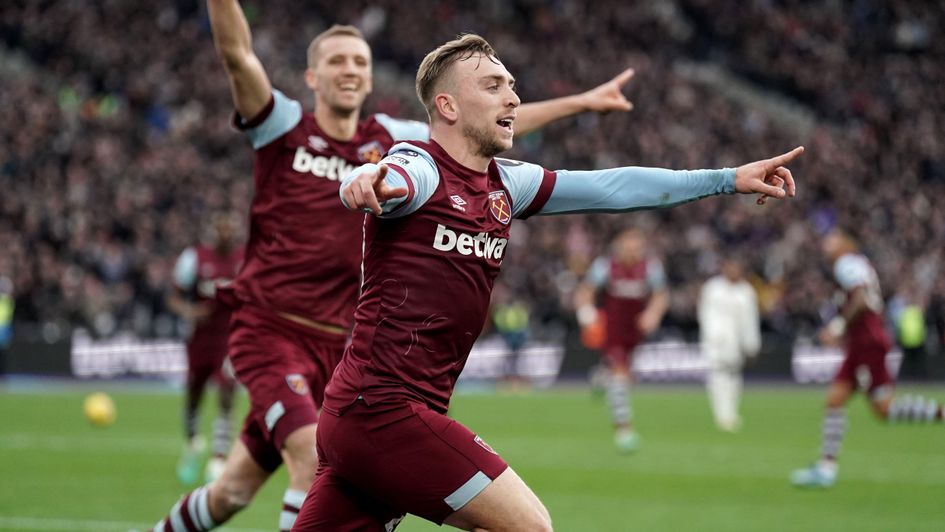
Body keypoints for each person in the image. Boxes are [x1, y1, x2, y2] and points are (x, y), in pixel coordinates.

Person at [152, 2, 643, 530]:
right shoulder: (284, 126)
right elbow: (238, 56)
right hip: (271, 333)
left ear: (370, 78)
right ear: (312, 77)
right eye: (337, 61)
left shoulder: (390, 137)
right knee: (308, 455)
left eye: (360, 62)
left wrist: (581, 103)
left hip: (339, 347)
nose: (350, 70)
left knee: (232, 492)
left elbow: (480, 121)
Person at [293, 33, 803, 530]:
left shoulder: (506, 184)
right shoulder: (420, 165)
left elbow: (613, 187)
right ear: (447, 106)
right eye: (493, 86)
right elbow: (393, 177)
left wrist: (726, 179)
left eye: (512, 85)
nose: (513, 97)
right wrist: (363, 181)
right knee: (530, 526)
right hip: (382, 409)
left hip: (368, 412)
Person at [791, 230, 944, 489]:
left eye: (832, 240)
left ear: (846, 243)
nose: (826, 245)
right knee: (842, 402)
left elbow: (861, 300)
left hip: (867, 344)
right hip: (862, 344)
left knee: (878, 408)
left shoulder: (846, 263)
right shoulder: (858, 264)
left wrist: (838, 327)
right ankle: (826, 468)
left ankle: (827, 469)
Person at [166, 212, 244, 485]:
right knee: (193, 392)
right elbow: (173, 298)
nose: (226, 234)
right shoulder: (194, 258)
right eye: (221, 228)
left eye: (230, 228)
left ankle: (219, 457)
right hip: (200, 338)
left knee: (227, 390)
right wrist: (189, 311)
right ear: (214, 231)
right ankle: (192, 443)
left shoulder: (245, 258)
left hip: (229, 337)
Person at [575, 228, 668, 451]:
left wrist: (653, 313)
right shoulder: (604, 266)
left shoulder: (651, 268)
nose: (633, 250)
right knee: (620, 373)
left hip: (635, 330)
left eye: (637, 246)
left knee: (624, 374)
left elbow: (661, 295)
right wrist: (587, 314)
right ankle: (623, 429)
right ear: (619, 246)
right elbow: (585, 292)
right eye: (629, 245)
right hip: (613, 329)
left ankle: (600, 377)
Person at [697, 257, 760, 432]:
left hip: (737, 343)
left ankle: (731, 413)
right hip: (716, 342)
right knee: (717, 376)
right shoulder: (713, 288)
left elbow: (750, 320)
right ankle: (721, 414)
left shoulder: (746, 291)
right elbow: (704, 314)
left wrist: (752, 343)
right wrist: (711, 337)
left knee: (734, 377)